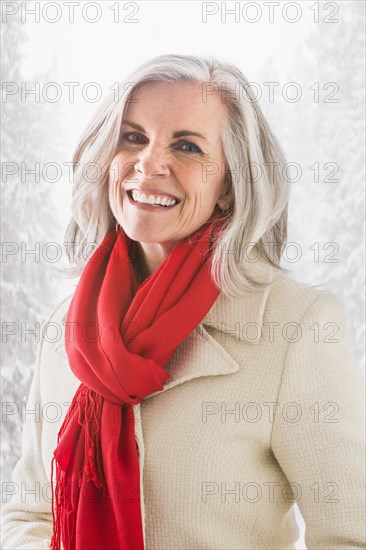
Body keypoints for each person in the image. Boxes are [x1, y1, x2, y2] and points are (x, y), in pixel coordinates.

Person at [1, 54, 365, 550]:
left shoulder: (294, 328)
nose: (150, 163)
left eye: (188, 146)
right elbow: (29, 512)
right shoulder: (65, 329)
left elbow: (351, 535)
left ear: (230, 186)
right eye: (133, 137)